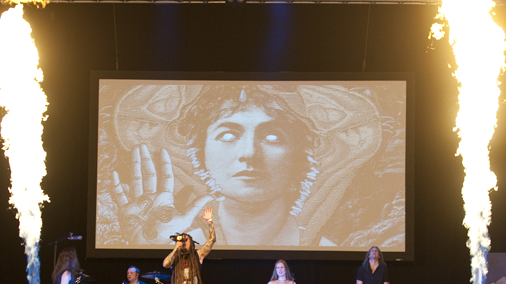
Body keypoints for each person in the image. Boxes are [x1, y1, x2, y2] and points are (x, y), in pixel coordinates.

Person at [107, 84, 386, 248]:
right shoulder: (179, 242)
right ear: (199, 152)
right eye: (228, 135)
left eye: (272, 136)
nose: (249, 154)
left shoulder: (326, 249)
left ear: (303, 156)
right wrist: (150, 247)